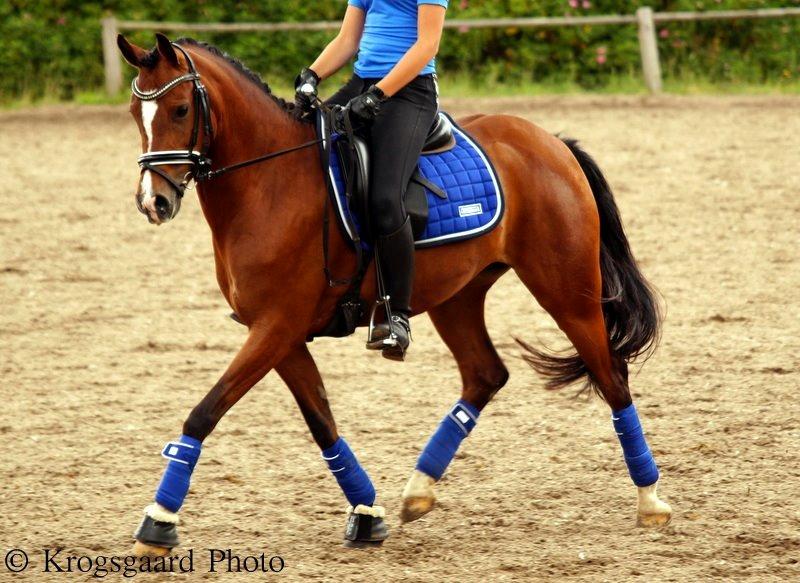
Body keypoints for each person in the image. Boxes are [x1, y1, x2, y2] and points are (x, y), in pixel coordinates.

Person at [294, 0, 448, 361]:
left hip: (410, 93)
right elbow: (348, 38)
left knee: (384, 199)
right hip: (362, 83)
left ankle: (397, 315)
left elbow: (427, 45)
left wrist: (380, 95)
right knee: (301, 146)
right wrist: (312, 75)